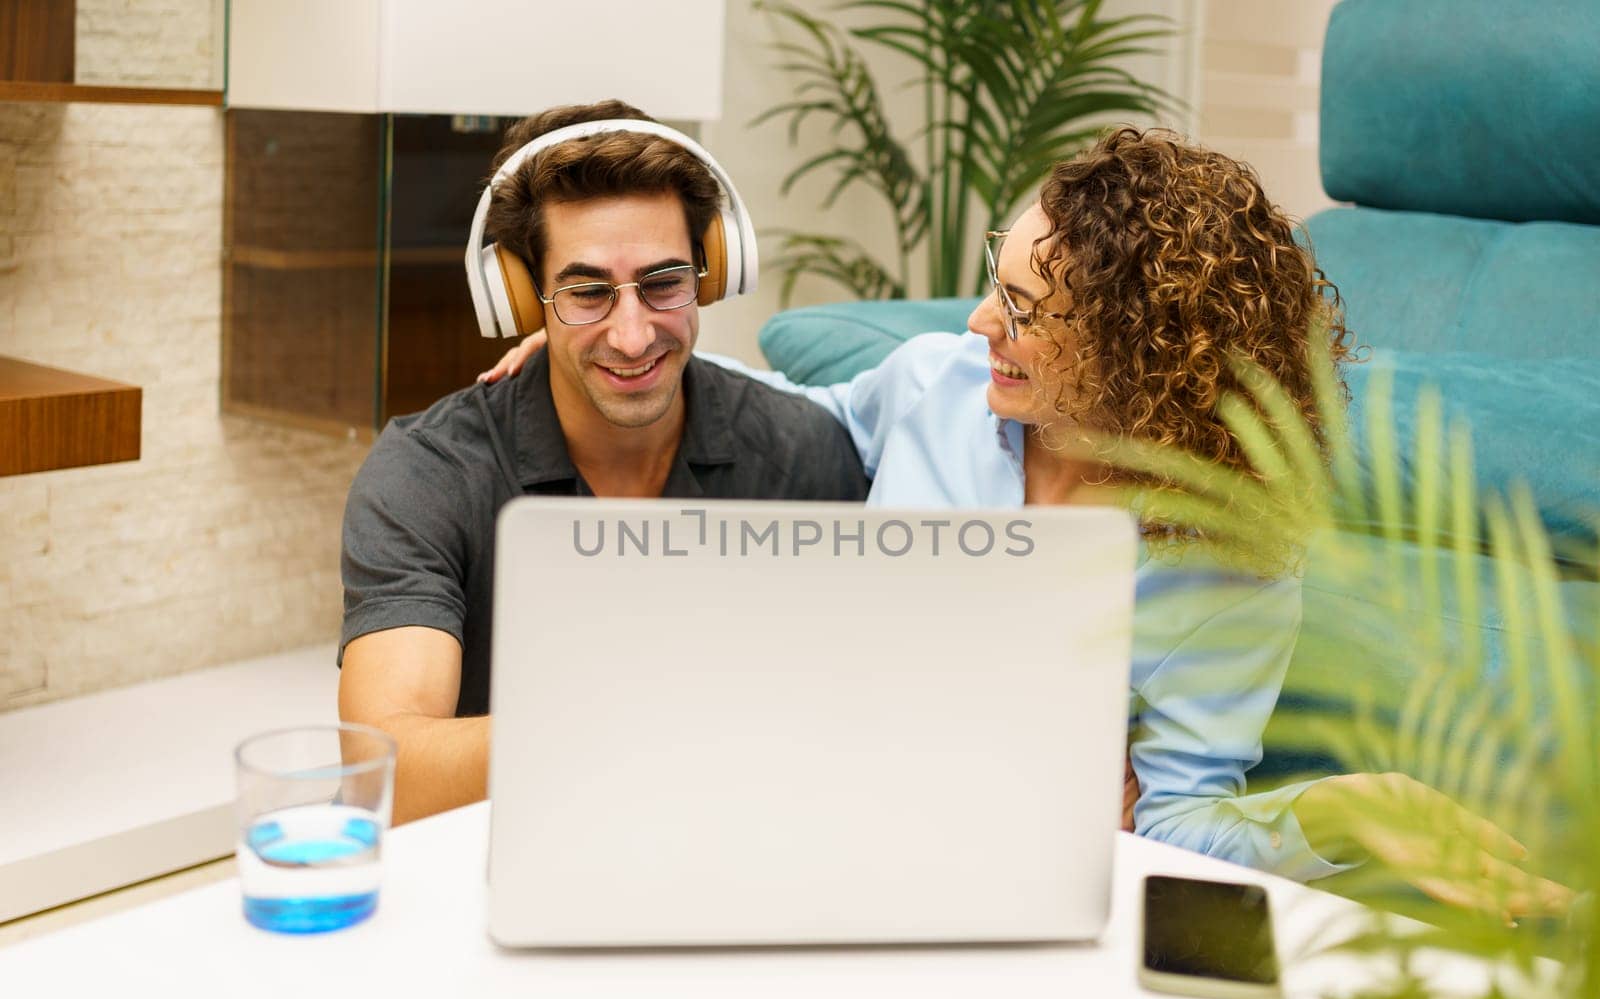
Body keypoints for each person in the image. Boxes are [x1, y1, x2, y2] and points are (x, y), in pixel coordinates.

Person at [486, 127, 1571, 915]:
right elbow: (781, 420)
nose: (978, 321)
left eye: (1028, 311)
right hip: (810, 790)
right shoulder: (934, 384)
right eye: (998, 285)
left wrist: (1343, 810)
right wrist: (618, 355)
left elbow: (1177, 818)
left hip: (994, 860)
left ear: (1143, 351)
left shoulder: (1232, 556)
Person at [339, 101, 869, 826]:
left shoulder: (799, 450)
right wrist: (639, 722)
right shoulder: (427, 474)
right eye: (587, 292)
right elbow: (386, 772)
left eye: (664, 283)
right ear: (524, 297)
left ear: (710, 276)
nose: (631, 334)